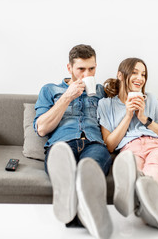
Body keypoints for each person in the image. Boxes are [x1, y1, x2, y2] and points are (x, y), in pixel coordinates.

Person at [97, 57, 158, 232]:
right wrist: (128, 116)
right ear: (120, 75)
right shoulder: (105, 104)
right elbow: (109, 146)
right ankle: (146, 206)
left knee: (155, 164)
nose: (140, 78)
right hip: (130, 148)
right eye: (134, 72)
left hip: (157, 147)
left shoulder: (151, 99)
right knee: (132, 166)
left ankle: (137, 198)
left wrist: (144, 119)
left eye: (143, 74)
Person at [33, 44, 113, 239]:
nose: (87, 74)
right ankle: (84, 210)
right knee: (63, 160)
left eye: (92, 69)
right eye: (81, 69)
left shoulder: (102, 91)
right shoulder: (50, 89)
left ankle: (72, 206)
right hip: (62, 144)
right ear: (69, 68)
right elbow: (42, 128)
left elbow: (132, 104)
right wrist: (67, 97)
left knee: (90, 166)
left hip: (94, 143)